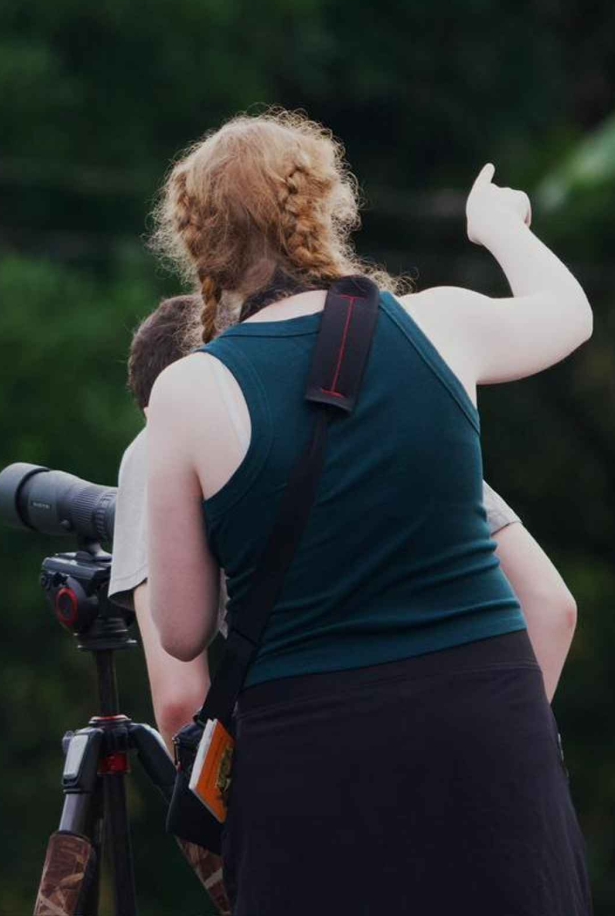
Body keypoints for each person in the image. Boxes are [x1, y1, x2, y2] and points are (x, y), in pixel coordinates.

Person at [142, 109, 594, 914]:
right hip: (487, 729)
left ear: (197, 242)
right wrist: (498, 228)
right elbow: (570, 313)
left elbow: (181, 630)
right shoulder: (440, 322)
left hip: (312, 753)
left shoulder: (189, 389)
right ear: (325, 207)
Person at [112, 298, 578, 754]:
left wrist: (213, 828)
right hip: (477, 742)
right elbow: (551, 605)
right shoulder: (397, 404)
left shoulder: (163, 435)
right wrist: (509, 756)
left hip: (315, 759)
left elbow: (180, 703)